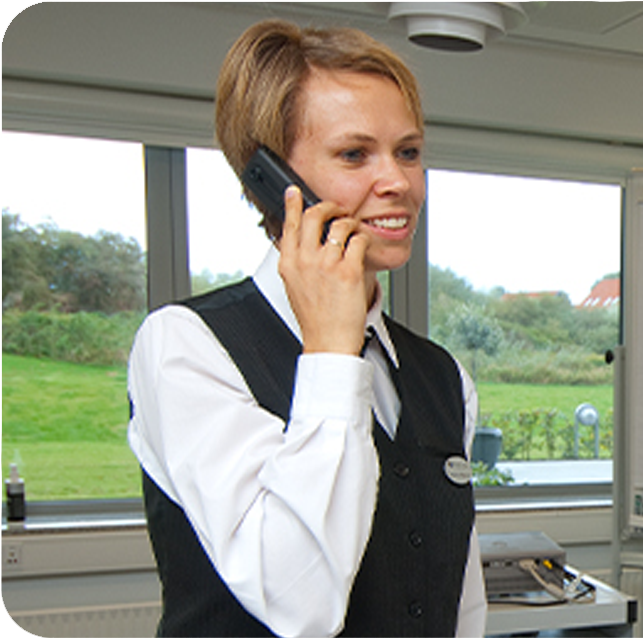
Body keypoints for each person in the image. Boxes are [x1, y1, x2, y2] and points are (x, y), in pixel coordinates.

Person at [127, 19, 486, 637]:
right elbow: (300, 602)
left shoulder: (442, 376)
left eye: (408, 152)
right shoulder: (185, 346)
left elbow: (460, 601)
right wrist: (331, 353)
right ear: (270, 178)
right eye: (355, 154)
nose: (398, 182)